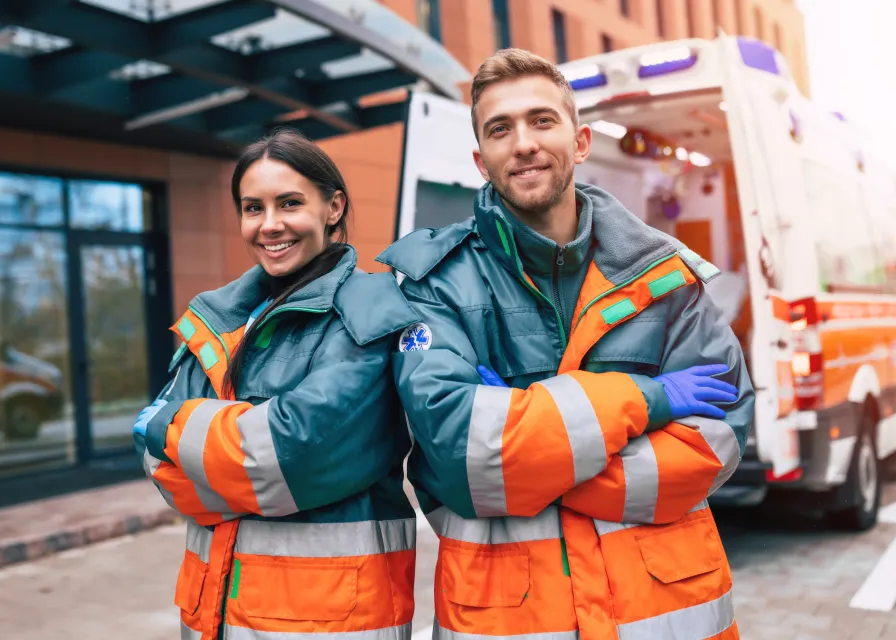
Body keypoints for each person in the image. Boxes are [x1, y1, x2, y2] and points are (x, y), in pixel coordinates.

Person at [379, 49, 754, 640]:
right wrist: (646, 400)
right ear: (481, 160)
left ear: (579, 142)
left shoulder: (662, 274)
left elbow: (719, 439)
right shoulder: (433, 284)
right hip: (515, 619)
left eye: (542, 120)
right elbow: (459, 457)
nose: (523, 143)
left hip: (664, 615)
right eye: (500, 129)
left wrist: (529, 448)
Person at [133, 129, 419, 640]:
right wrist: (233, 459)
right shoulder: (220, 317)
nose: (269, 226)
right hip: (213, 614)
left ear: (334, 207)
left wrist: (175, 431)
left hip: (328, 619)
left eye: (289, 203)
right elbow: (157, 466)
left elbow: (289, 454)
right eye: (252, 208)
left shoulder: (369, 313)